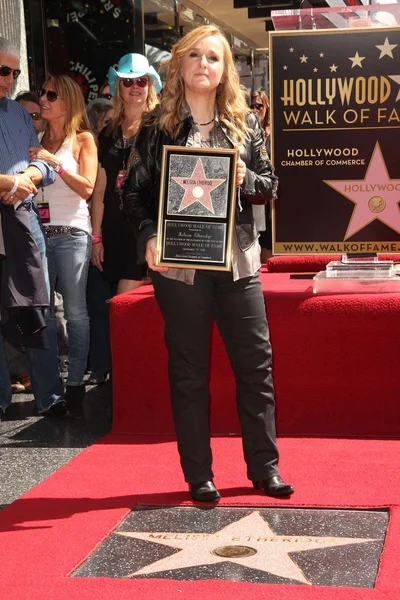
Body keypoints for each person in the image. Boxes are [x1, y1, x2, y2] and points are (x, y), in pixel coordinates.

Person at [122, 25, 294, 502]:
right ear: (180, 64)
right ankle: (199, 475)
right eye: (194, 55)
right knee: (189, 369)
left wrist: (246, 177)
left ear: (224, 72)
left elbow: (270, 184)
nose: (203, 64)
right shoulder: (157, 128)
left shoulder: (246, 124)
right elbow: (132, 194)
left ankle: (265, 467)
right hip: (179, 265)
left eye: (213, 58)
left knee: (256, 365)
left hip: (238, 260)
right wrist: (149, 235)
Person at [0, 36, 66, 418]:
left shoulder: (19, 115)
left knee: (37, 310)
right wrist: (14, 183)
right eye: (3, 70)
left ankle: (50, 397)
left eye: (15, 72)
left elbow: (44, 165)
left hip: (23, 222)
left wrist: (28, 174)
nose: (9, 80)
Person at [88, 54, 161, 384]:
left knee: (136, 304)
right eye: (127, 81)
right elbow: (99, 189)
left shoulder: (162, 126)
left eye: (141, 81)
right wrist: (96, 236)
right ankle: (128, 381)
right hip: (117, 230)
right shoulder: (107, 133)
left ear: (151, 85)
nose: (134, 87)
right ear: (118, 86)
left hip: (151, 225)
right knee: (125, 305)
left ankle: (143, 377)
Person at [29, 75, 98, 411]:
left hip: (72, 233)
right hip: (38, 234)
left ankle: (75, 384)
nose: (43, 98)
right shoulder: (36, 138)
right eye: (42, 92)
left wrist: (51, 160)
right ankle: (52, 386)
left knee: (75, 312)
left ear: (68, 101)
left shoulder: (83, 139)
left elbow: (87, 188)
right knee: (43, 312)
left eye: (51, 94)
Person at [250, 90, 272, 262]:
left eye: (259, 105)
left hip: (269, 195)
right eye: (252, 106)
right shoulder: (246, 132)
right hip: (251, 189)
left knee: (267, 239)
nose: (255, 109)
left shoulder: (273, 135)